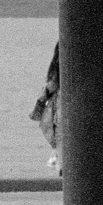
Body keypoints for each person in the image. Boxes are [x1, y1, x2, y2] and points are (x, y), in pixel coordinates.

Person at [30, 43, 60, 173]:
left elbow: (51, 86)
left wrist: (41, 101)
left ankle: (59, 165)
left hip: (57, 108)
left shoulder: (56, 67)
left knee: (58, 138)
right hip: (65, 106)